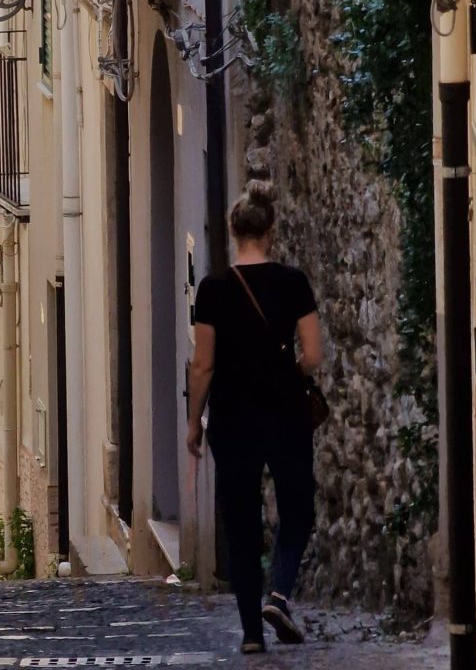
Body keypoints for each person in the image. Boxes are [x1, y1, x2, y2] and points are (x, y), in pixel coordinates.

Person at [186, 179, 323, 654]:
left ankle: (249, 634)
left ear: (233, 231)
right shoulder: (294, 283)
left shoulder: (213, 289)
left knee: (241, 522)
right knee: (298, 507)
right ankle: (280, 591)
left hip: (232, 417)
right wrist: (290, 370)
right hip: (285, 411)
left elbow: (202, 364)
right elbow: (313, 354)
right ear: (270, 232)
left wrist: (192, 424)